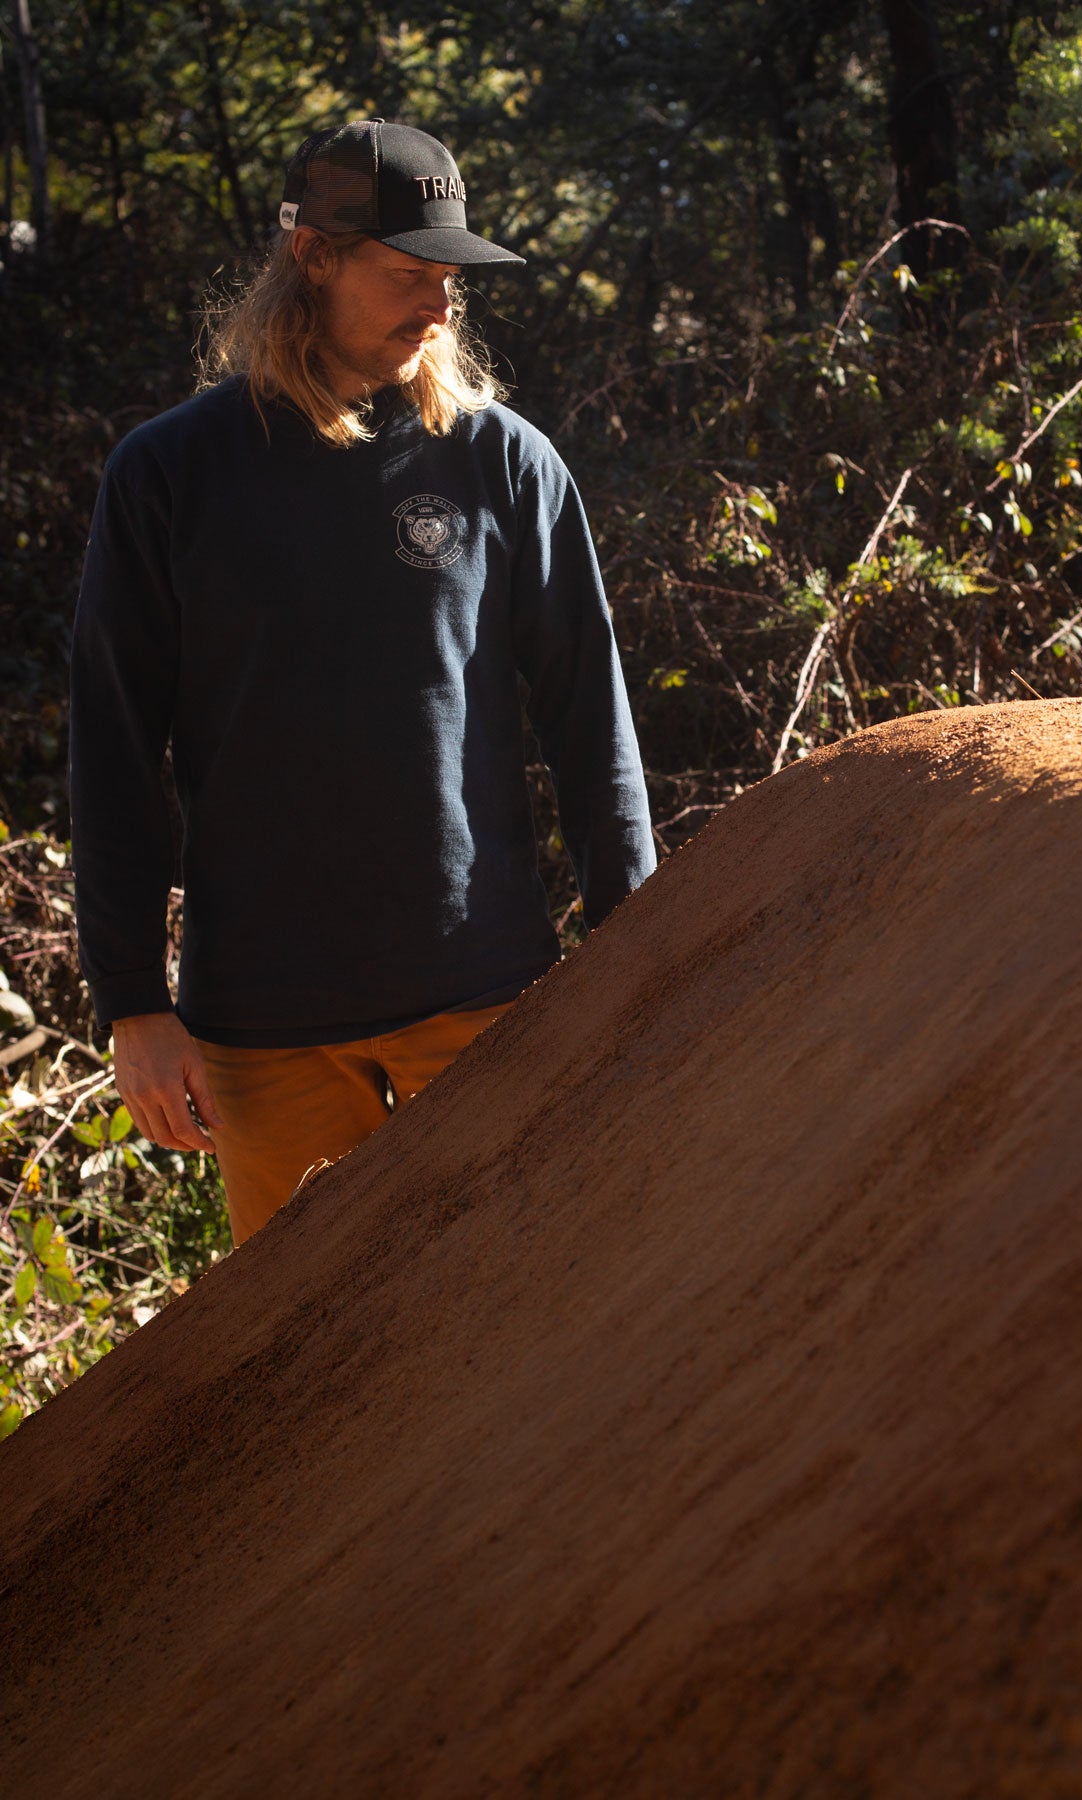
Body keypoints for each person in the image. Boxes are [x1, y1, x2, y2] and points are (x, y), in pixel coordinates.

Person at [69, 119, 657, 1245]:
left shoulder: (502, 461)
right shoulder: (169, 476)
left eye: (447, 279)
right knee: (310, 1372)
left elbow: (593, 719)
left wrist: (639, 946)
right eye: (407, 274)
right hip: (266, 1026)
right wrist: (135, 999)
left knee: (516, 1314)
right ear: (314, 259)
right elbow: (113, 747)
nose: (437, 304)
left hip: (487, 1002)